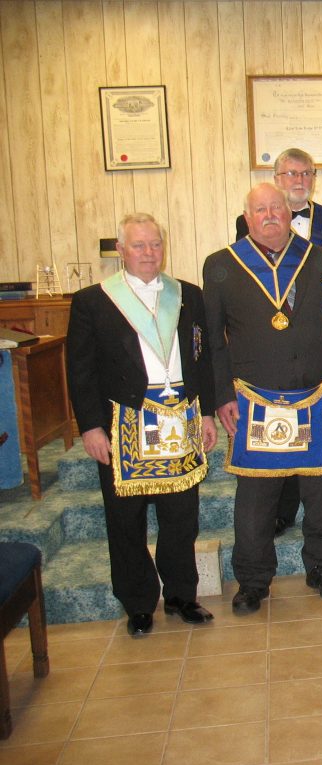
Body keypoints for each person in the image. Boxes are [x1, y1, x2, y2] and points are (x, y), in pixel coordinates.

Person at [204, 183, 322, 615]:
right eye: (260, 209)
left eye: (276, 207)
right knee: (255, 500)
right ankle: (253, 580)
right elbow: (215, 344)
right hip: (255, 400)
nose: (270, 214)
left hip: (318, 396)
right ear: (247, 216)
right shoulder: (221, 266)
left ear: (288, 213)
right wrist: (220, 397)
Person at [66, 213, 217, 637]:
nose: (149, 253)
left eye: (155, 244)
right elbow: (80, 372)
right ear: (121, 250)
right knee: (126, 518)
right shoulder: (93, 301)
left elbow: (202, 358)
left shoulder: (187, 294)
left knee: (181, 516)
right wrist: (91, 427)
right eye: (138, 245)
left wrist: (205, 412)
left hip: (180, 416)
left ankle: (182, 595)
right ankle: (137, 602)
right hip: (122, 420)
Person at [236, 147, 322, 535]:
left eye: (306, 173)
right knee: (279, 438)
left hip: (314, 347)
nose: (299, 180)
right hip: (270, 354)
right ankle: (282, 511)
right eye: (290, 174)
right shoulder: (252, 220)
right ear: (277, 178)